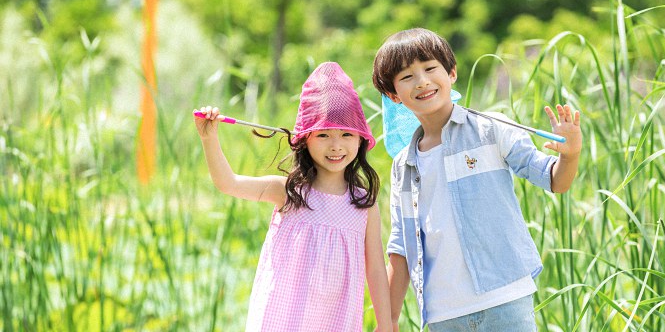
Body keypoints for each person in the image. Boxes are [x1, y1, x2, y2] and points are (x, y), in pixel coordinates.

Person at [371, 28, 582, 332]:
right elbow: (401, 248)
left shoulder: (491, 130)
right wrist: (388, 319)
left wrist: (570, 154)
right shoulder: (403, 165)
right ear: (394, 95)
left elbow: (554, 181)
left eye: (430, 68)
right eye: (407, 77)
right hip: (443, 314)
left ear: (452, 73)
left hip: (505, 299)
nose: (422, 81)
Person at [194, 62, 392, 332]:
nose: (336, 145)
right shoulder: (288, 192)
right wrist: (209, 139)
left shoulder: (363, 203)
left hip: (336, 321)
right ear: (305, 140)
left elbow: (376, 269)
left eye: (346, 134)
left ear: (360, 140)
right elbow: (229, 183)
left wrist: (386, 322)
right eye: (323, 134)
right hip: (283, 320)